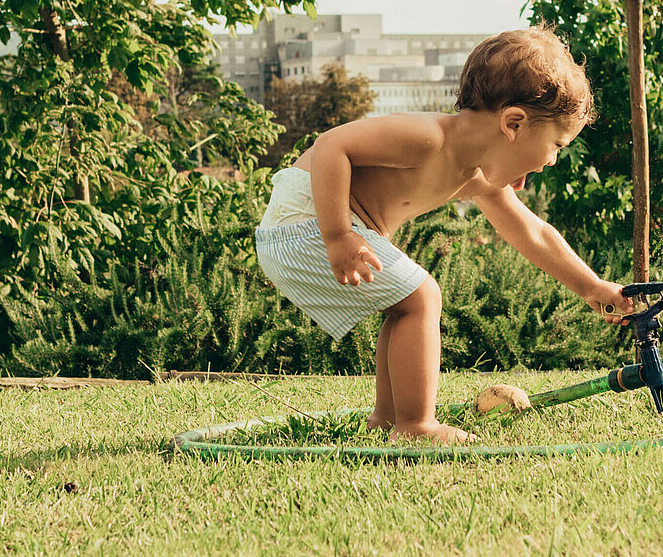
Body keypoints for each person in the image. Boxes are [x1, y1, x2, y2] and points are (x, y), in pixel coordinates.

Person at [255, 26, 635, 443]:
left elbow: (531, 231)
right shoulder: (429, 139)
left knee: (403, 305)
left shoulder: (476, 175)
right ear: (514, 124)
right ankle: (417, 426)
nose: (553, 160)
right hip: (306, 222)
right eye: (557, 145)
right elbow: (331, 147)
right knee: (422, 297)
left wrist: (593, 287)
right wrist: (338, 235)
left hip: (316, 227)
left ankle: (388, 420)